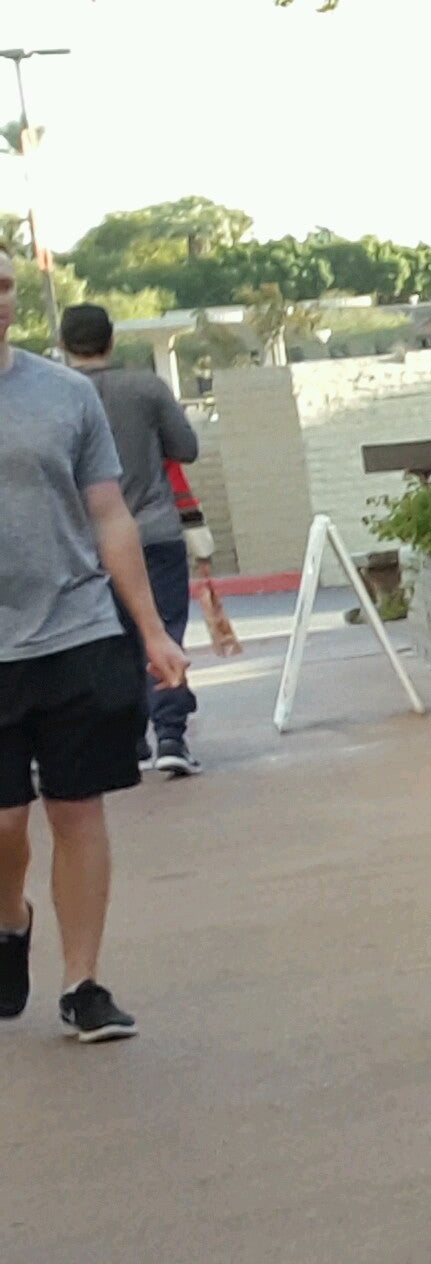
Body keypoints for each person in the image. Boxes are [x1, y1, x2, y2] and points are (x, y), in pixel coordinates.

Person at [0, 276, 190, 1041]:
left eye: (4, 283)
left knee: (77, 809)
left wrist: (152, 630)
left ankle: (82, 984)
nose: (0, 297)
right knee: (3, 823)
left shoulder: (65, 394)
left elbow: (109, 514)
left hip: (75, 629)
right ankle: (11, 919)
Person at [60, 307, 214, 774]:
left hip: (84, 541)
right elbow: (185, 447)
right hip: (153, 530)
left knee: (109, 644)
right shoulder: (146, 388)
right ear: (111, 340)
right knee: (164, 631)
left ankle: (127, 739)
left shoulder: (55, 393)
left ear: (63, 344)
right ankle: (170, 735)